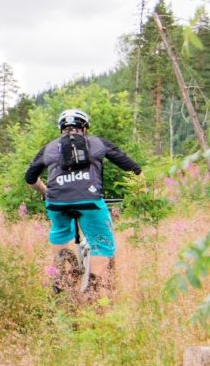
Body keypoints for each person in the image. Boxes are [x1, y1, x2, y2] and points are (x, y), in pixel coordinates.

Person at [23, 108, 142, 288]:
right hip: (89, 201)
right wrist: (140, 185)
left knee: (60, 231)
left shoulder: (48, 148)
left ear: (61, 129)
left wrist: (46, 191)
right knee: (101, 243)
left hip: (56, 202)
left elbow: (30, 178)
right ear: (85, 128)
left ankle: (61, 272)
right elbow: (130, 165)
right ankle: (92, 290)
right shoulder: (97, 143)